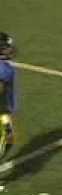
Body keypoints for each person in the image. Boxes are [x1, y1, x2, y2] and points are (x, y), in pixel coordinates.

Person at [0, 32, 17, 161]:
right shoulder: (4, 69)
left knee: (9, 140)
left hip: (3, 111)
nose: (10, 49)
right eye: (6, 47)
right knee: (5, 139)